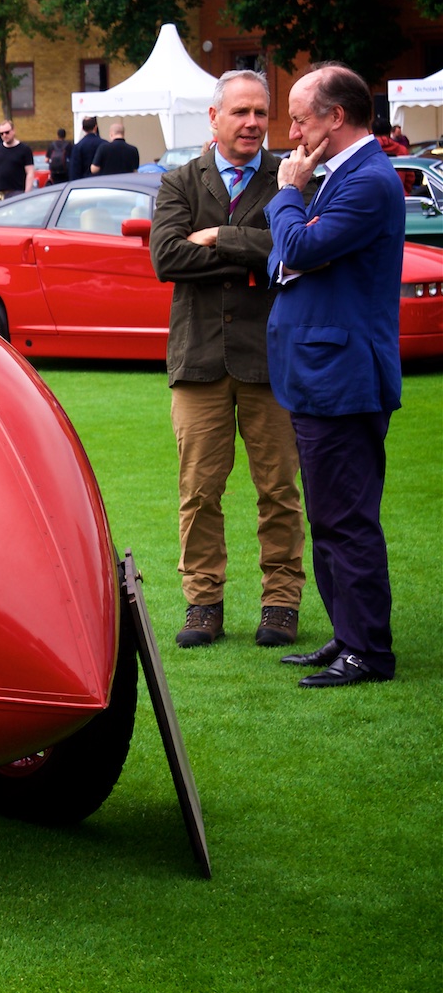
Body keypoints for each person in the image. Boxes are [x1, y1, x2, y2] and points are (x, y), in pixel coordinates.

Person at [150, 69, 304, 650]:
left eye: (261, 112)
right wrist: (251, 254)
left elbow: (295, 248)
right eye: (240, 112)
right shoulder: (179, 181)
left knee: (279, 491)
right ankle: (203, 602)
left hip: (270, 358)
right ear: (213, 119)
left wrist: (216, 237)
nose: (252, 123)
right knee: (199, 491)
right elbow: (166, 258)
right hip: (198, 361)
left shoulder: (290, 176)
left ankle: (281, 601)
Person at [265, 63, 405, 688]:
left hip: (342, 377)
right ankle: (348, 635)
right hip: (321, 372)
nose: (290, 130)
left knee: (345, 519)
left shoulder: (367, 181)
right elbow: (286, 257)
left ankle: (368, 652)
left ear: (335, 117)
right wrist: (296, 225)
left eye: (299, 116)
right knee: (329, 516)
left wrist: (289, 195)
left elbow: (295, 249)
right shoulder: (341, 177)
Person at [0, 121, 33, 197]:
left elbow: (30, 172)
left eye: (7, 132)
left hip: (17, 192)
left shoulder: (24, 149)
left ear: (13, 131)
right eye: (1, 134)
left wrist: (27, 194)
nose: (4, 135)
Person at [67, 117, 104, 181]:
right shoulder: (104, 144)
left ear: (83, 128)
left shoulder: (78, 146)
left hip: (85, 182)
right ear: (95, 127)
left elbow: (74, 170)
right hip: (102, 181)